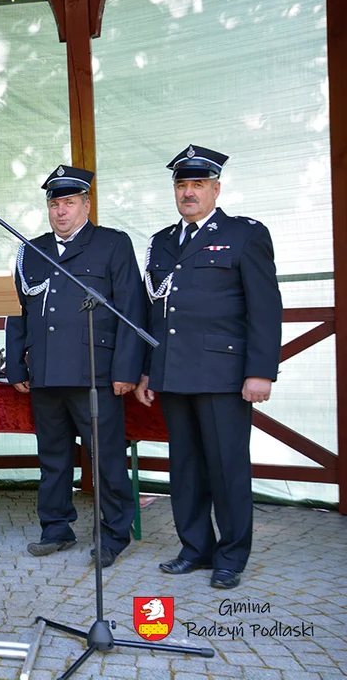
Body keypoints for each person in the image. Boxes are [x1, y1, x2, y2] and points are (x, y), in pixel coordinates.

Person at [135, 145, 282, 590]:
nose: (189, 193)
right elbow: (152, 313)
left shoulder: (244, 234)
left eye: (198, 184)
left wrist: (261, 371)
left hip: (223, 375)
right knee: (186, 467)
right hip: (174, 373)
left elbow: (265, 307)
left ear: (216, 188)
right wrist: (147, 370)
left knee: (227, 467)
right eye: (182, 185)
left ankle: (232, 555)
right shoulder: (161, 240)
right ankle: (195, 548)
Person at [5, 165, 143, 568]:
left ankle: (115, 534)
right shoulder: (31, 249)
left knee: (105, 456)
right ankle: (56, 528)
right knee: (52, 455)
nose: (61, 211)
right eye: (54, 204)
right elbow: (20, 310)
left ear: (86, 204)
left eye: (69, 202)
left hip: (94, 371)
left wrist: (126, 370)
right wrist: (15, 365)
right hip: (45, 372)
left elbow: (131, 310)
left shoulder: (113, 244)